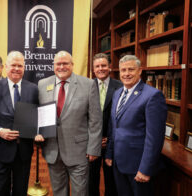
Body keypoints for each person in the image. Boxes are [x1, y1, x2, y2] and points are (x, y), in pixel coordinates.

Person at [35, 51, 102, 196]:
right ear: (53, 66)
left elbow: (95, 120)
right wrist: (36, 132)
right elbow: (37, 113)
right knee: (58, 191)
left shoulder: (88, 84)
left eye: (65, 63)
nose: (61, 66)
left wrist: (93, 149)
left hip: (79, 151)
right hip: (52, 150)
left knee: (80, 192)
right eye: (58, 64)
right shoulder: (42, 84)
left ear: (72, 65)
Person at [105, 55, 167, 196]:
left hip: (138, 167)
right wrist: (109, 153)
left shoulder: (152, 96)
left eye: (131, 69)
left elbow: (155, 138)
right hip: (118, 162)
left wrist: (145, 169)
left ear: (140, 71)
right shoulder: (117, 93)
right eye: (123, 70)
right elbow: (113, 127)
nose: (126, 74)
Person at [0, 51, 38, 196]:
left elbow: (38, 116)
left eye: (20, 65)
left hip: (23, 151)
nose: (16, 69)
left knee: (20, 191)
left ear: (24, 67)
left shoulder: (33, 89)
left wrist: (39, 132)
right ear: (6, 67)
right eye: (13, 65)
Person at [89, 53, 122, 196]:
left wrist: (110, 138)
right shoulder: (86, 86)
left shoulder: (120, 87)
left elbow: (123, 116)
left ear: (110, 67)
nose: (100, 68)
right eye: (97, 66)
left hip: (112, 143)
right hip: (91, 143)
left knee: (112, 181)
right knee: (91, 180)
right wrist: (94, 138)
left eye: (103, 65)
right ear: (93, 69)